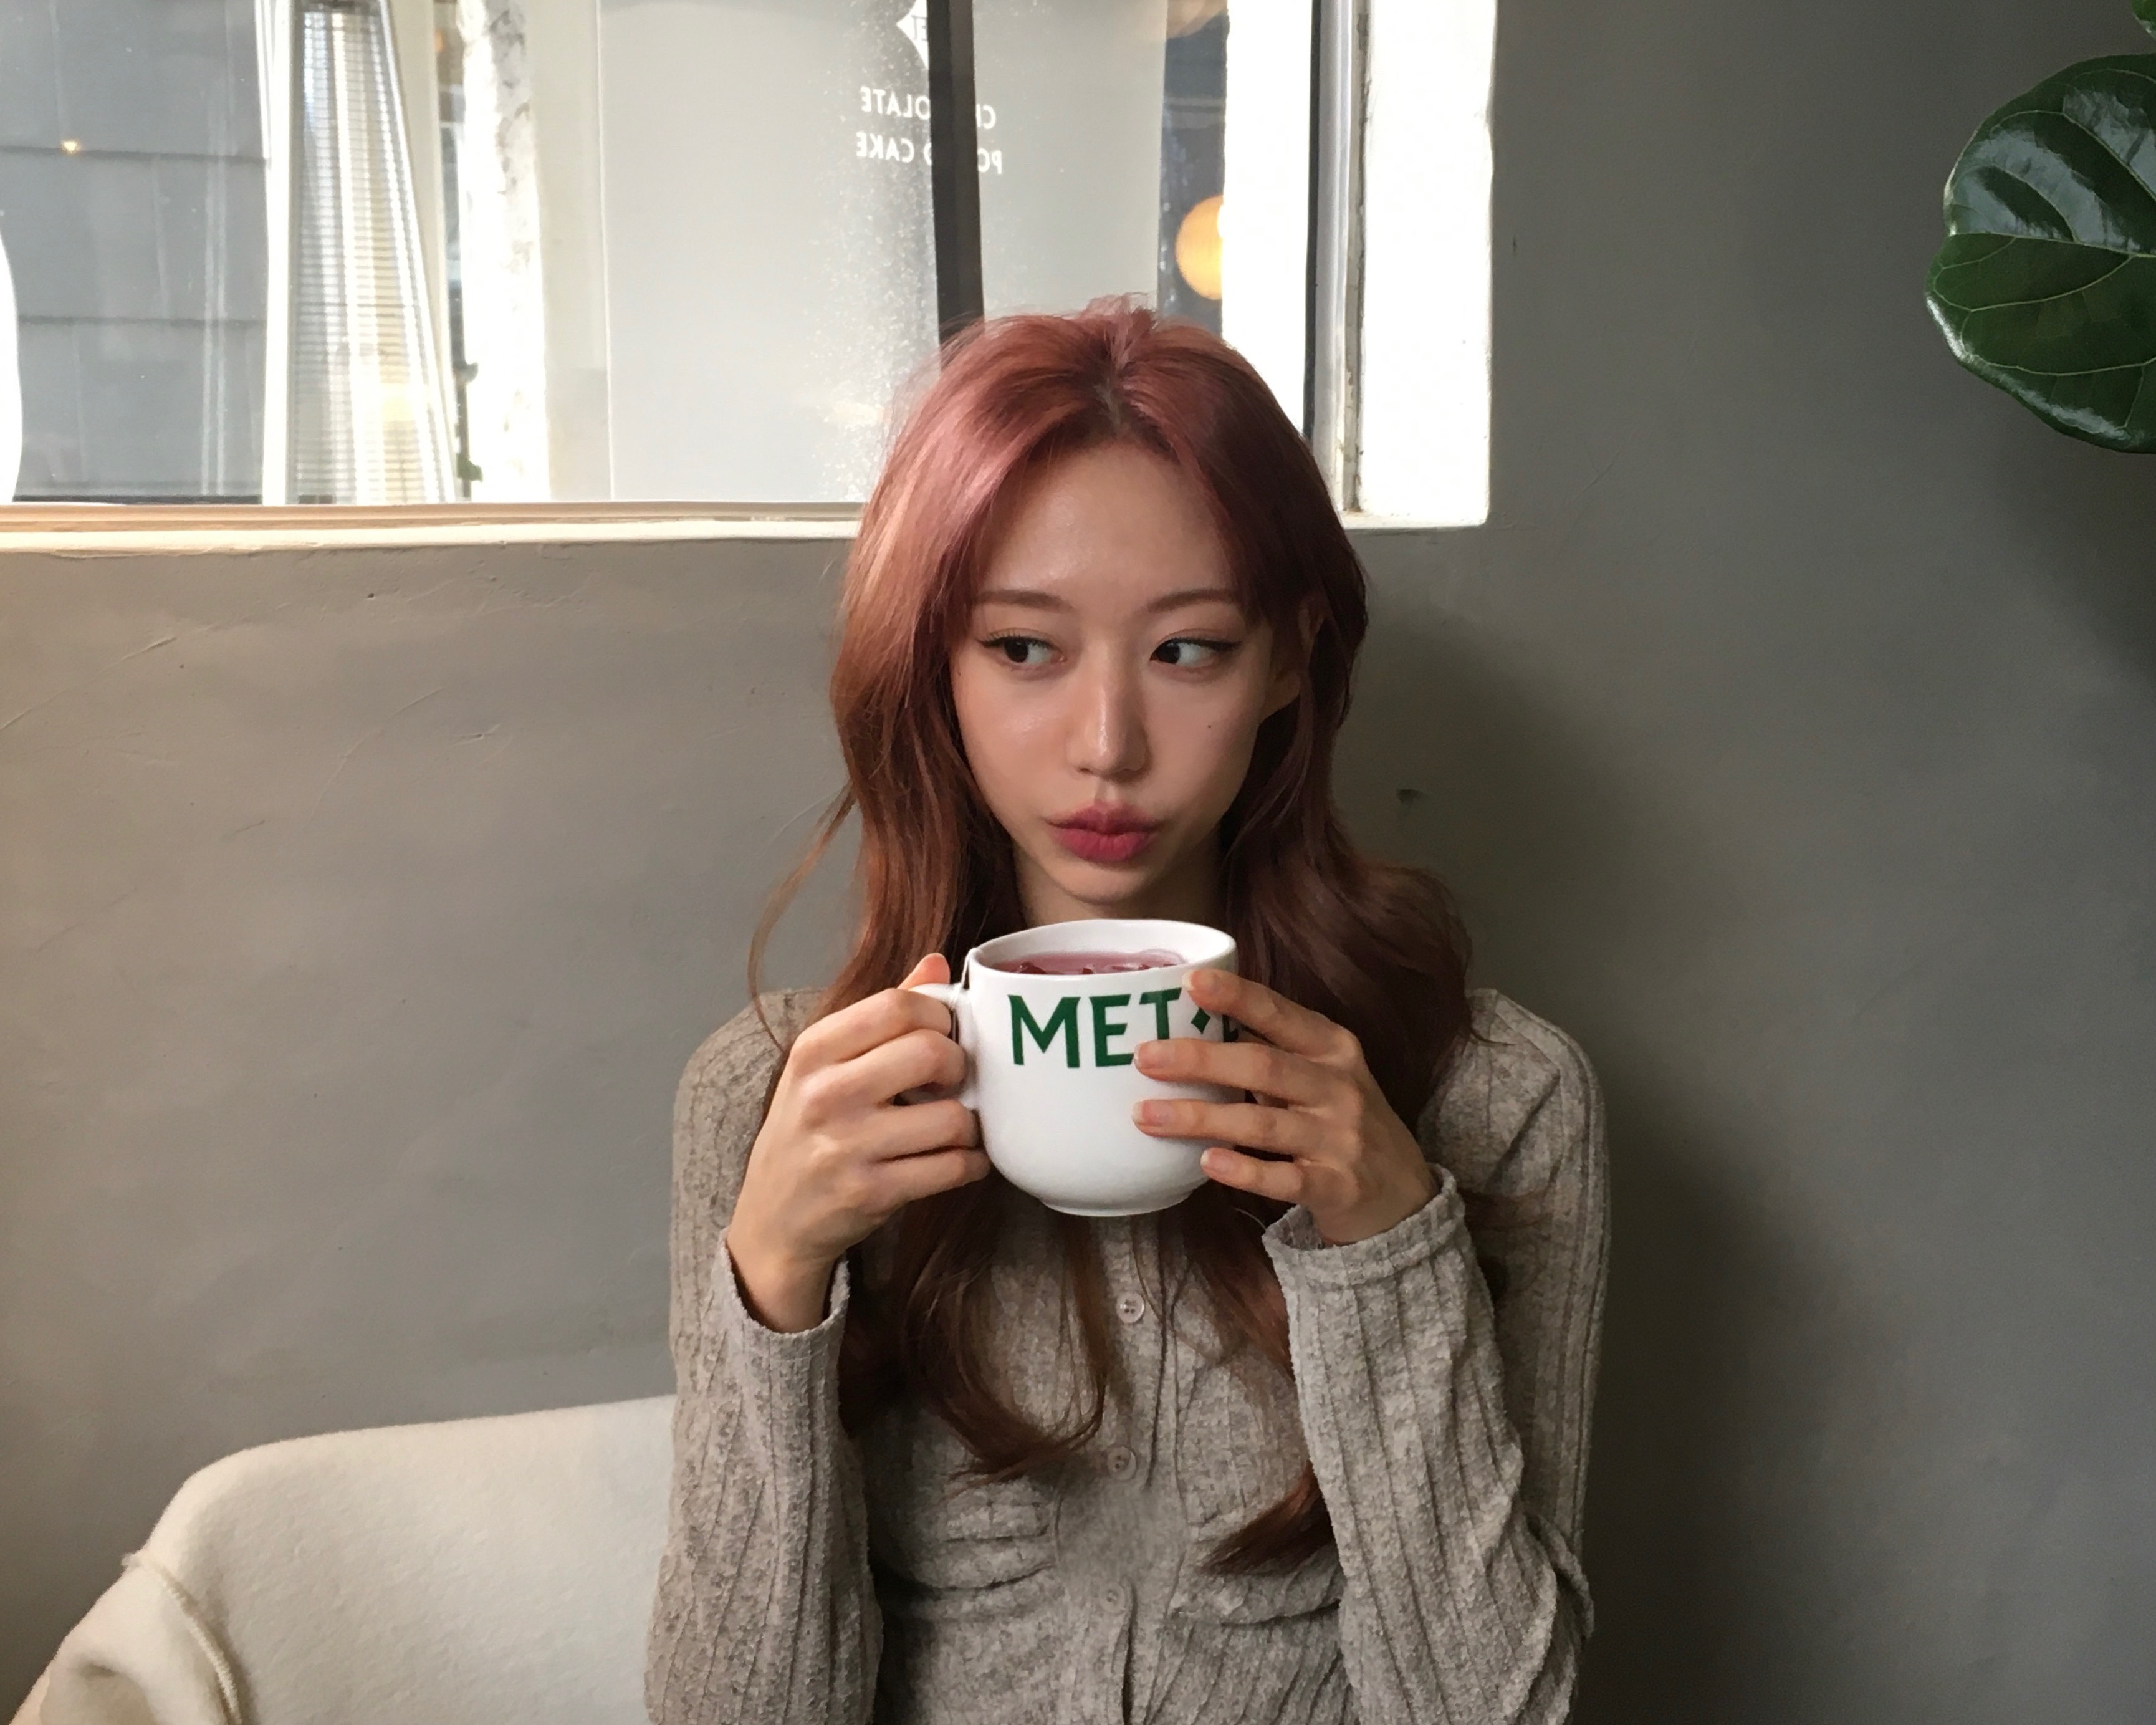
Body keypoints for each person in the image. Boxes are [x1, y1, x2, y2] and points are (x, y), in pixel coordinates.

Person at [644, 299, 1609, 1725]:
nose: (1107, 746)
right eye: (1022, 648)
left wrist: (1391, 1247)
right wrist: (776, 1282)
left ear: (1287, 661)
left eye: (1187, 649)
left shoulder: (1494, 1098)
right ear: (933, 666)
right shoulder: (780, 1102)